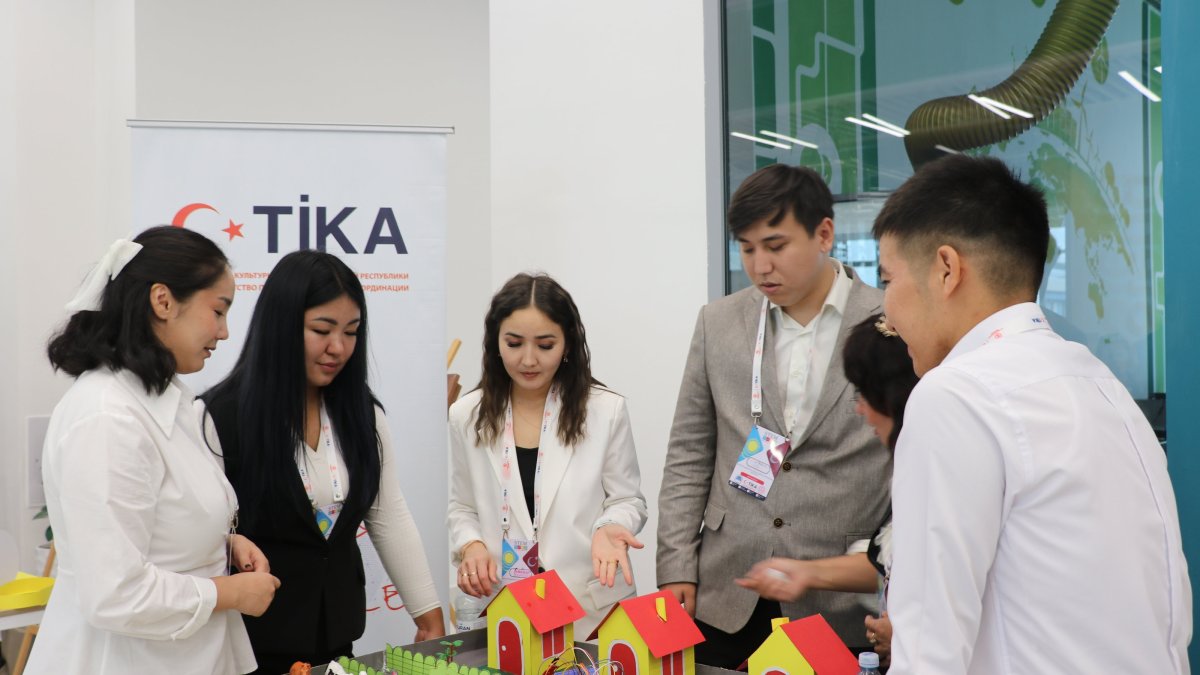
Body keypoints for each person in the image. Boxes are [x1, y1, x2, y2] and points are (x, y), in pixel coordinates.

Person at [874, 154, 1191, 673]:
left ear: (947, 269)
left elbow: (929, 646)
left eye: (888, 278)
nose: (886, 310)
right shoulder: (1098, 383)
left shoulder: (955, 396)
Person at [657, 163, 892, 667]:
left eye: (776, 245)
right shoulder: (719, 322)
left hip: (841, 604)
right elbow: (689, 452)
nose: (760, 265)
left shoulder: (888, 323)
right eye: (747, 248)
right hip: (729, 589)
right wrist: (675, 565)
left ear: (824, 233)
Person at [28, 226, 279, 674]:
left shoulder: (172, 402)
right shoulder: (108, 418)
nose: (224, 332)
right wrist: (229, 592)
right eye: (218, 311)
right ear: (162, 301)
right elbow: (115, 593)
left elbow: (160, 522)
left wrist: (223, 543)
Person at [202, 250, 445, 674]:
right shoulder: (219, 416)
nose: (338, 348)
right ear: (281, 326)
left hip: (336, 642)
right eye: (321, 329)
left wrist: (427, 614)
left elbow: (388, 514)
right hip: (248, 648)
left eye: (351, 332)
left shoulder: (362, 414)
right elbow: (202, 534)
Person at [448, 272, 647, 638]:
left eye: (545, 345)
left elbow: (628, 499)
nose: (528, 360)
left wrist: (609, 528)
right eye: (514, 343)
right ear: (495, 342)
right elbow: (462, 507)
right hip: (508, 608)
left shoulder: (605, 410)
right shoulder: (466, 414)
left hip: (590, 610)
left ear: (568, 344)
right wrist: (470, 544)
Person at [738, 312, 919, 667]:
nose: (860, 410)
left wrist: (910, 637)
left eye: (863, 394)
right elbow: (884, 561)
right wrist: (806, 572)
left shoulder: (934, 467)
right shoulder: (908, 463)